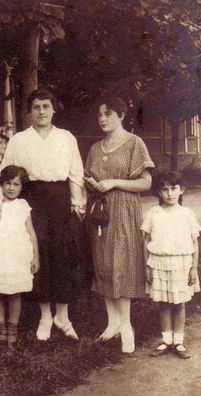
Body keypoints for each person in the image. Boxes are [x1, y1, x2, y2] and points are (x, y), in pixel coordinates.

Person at [0, 88, 86, 341]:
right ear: (29, 112)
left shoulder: (66, 138)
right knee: (38, 252)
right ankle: (45, 315)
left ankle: (62, 316)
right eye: (36, 107)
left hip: (60, 198)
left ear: (54, 109)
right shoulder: (19, 140)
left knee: (62, 253)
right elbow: (4, 173)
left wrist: (78, 206)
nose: (41, 111)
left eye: (46, 106)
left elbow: (75, 174)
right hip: (33, 199)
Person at [84, 96, 154, 353]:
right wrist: (92, 185)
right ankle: (112, 322)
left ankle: (127, 325)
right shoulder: (95, 149)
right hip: (100, 213)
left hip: (124, 210)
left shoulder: (134, 144)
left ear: (122, 115)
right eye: (100, 115)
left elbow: (145, 183)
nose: (102, 119)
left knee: (121, 263)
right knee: (103, 263)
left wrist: (113, 182)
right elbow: (89, 178)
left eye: (108, 114)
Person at [142, 171, 200, 359]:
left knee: (179, 303)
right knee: (164, 303)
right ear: (158, 192)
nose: (169, 193)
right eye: (164, 189)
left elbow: (195, 244)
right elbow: (146, 242)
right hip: (159, 262)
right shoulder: (154, 213)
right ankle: (167, 339)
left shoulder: (187, 214)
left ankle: (179, 341)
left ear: (181, 190)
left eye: (173, 188)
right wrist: (146, 266)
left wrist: (193, 268)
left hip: (181, 263)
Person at [0, 165, 40, 347]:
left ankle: (13, 328)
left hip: (18, 254)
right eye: (8, 183)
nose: (12, 188)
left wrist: (35, 257)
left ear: (22, 187)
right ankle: (1, 328)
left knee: (15, 292)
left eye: (16, 184)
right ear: (1, 184)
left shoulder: (23, 206)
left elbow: (31, 233)